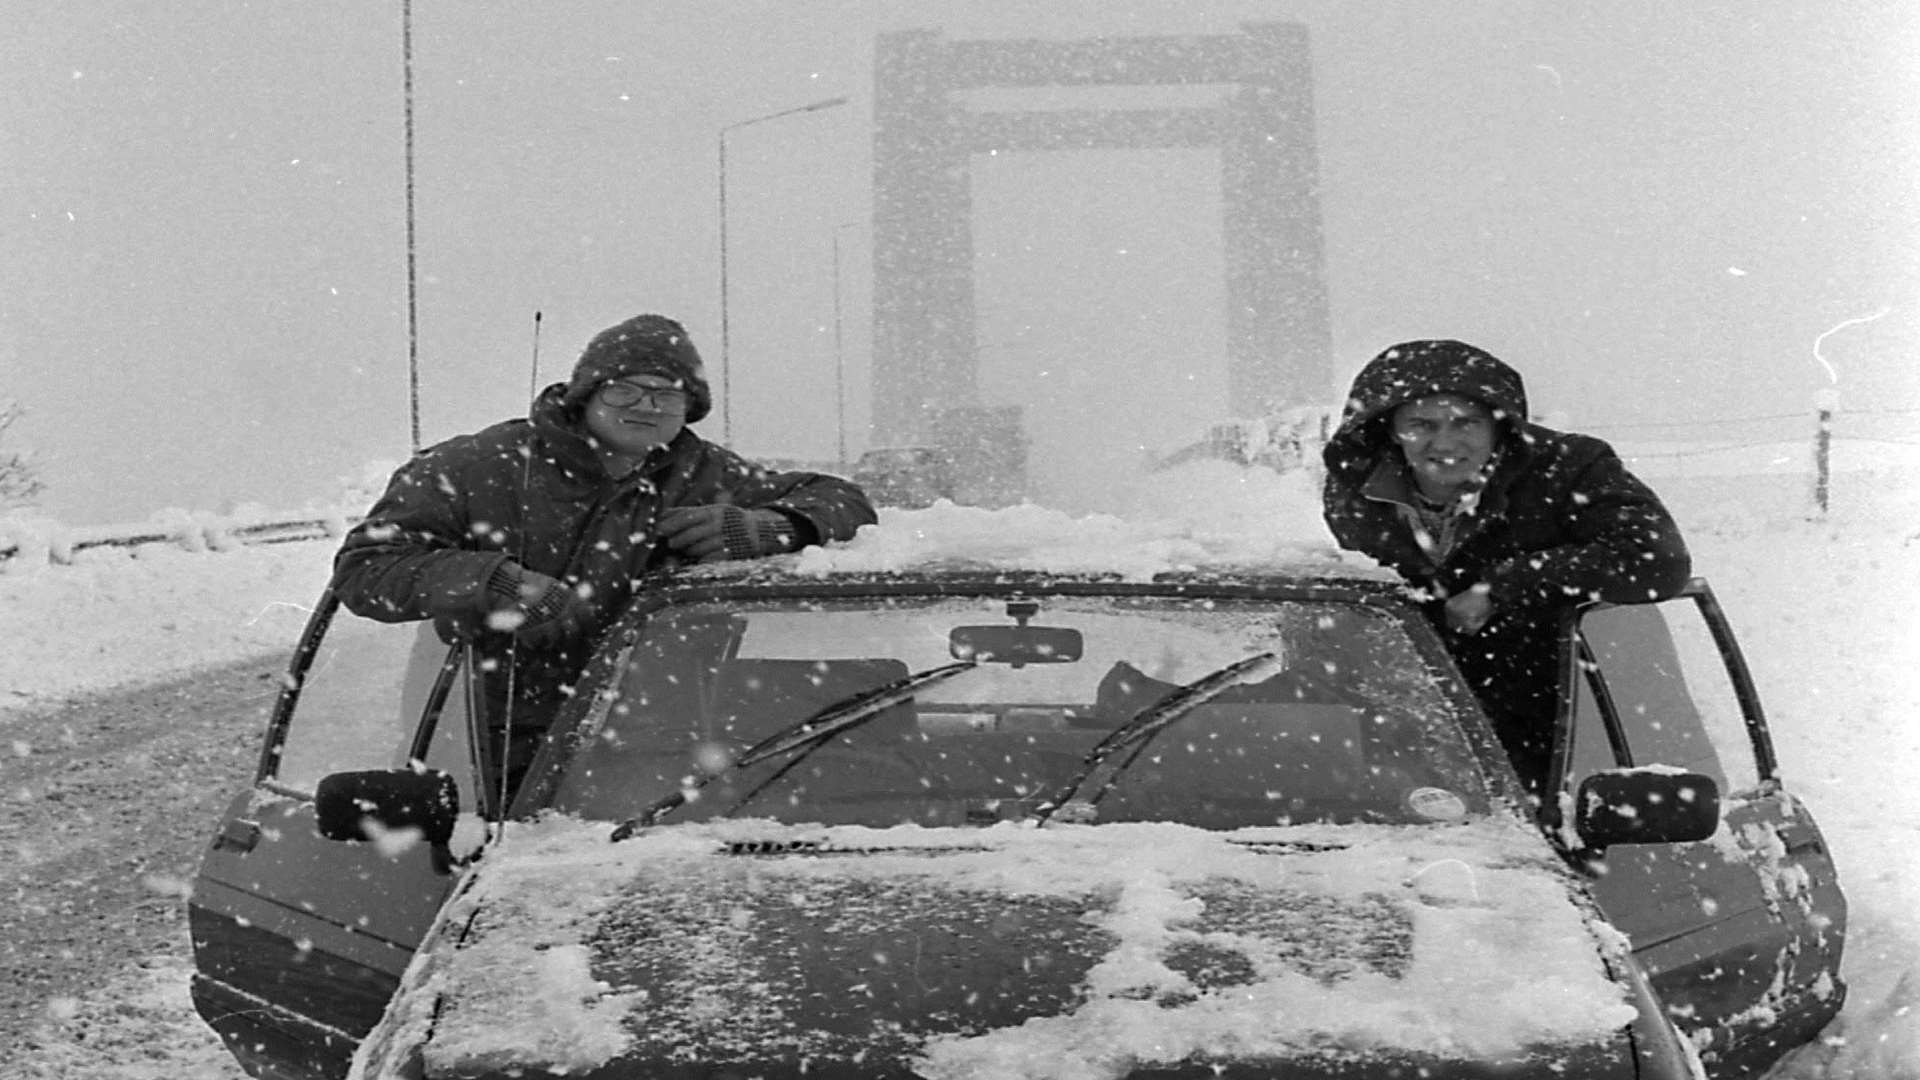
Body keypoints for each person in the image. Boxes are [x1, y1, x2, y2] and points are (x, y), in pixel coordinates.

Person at [330, 313, 877, 801]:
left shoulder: (708, 477)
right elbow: (366, 571)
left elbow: (843, 500)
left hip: (665, 752)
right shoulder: (479, 467)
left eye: (668, 393)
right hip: (497, 749)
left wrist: (770, 528)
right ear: (586, 395)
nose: (646, 405)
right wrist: (492, 581)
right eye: (625, 390)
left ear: (690, 409)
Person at [1320, 339, 1691, 803]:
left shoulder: (1568, 470)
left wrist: (1502, 585)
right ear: (1390, 430)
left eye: (1466, 422)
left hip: (1571, 719)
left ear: (1501, 426)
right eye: (1421, 424)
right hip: (1420, 728)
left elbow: (1657, 561)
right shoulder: (1358, 492)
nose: (1445, 442)